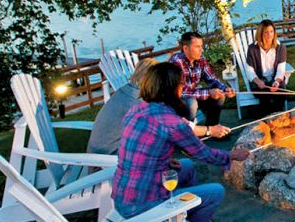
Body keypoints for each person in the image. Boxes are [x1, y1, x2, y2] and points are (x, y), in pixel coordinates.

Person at [112, 62, 250, 222]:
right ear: (171, 88)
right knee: (216, 191)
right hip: (143, 205)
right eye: (180, 84)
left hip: (122, 196)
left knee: (186, 166)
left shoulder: (137, 110)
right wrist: (232, 155)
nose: (182, 87)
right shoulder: (172, 123)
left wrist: (165, 161)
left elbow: (139, 149)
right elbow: (204, 153)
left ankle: (187, 214)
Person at [87, 59, 230, 154]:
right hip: (109, 160)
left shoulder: (128, 89)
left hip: (101, 151)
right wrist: (210, 130)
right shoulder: (141, 101)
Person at [169, 31, 235, 126]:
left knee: (220, 95)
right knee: (192, 103)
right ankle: (187, 133)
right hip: (178, 100)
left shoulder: (201, 59)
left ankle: (213, 128)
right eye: (197, 47)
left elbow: (212, 79)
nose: (201, 50)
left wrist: (224, 89)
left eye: (201, 46)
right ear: (185, 48)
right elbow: (181, 92)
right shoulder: (176, 62)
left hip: (193, 94)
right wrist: (208, 93)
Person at [246, 19, 288, 115]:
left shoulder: (281, 47)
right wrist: (257, 81)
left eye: (271, 31)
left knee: (280, 94)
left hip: (275, 80)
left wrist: (277, 81)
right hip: (260, 81)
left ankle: (279, 119)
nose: (269, 35)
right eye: (266, 32)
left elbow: (281, 68)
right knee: (265, 96)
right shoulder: (252, 48)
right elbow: (249, 70)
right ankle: (267, 121)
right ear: (260, 33)